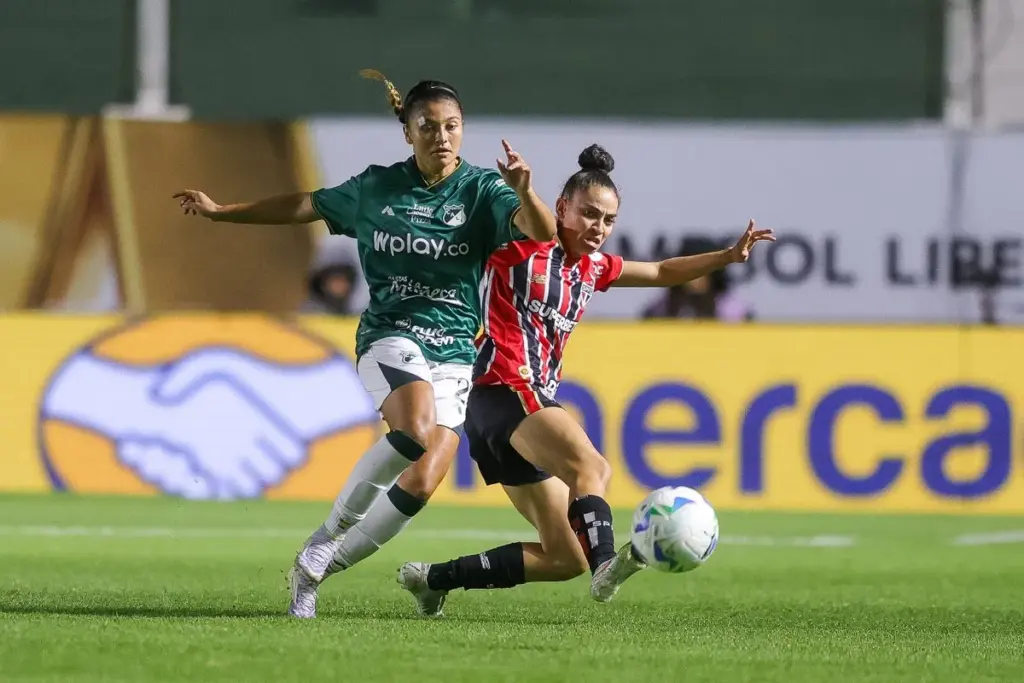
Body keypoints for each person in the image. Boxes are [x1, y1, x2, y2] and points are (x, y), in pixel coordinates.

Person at [173, 69, 557, 619]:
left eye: (452, 126)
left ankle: (315, 571)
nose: (442, 136)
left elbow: (542, 232)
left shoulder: (482, 191)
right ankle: (327, 535)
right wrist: (223, 211)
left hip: (454, 348)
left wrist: (523, 188)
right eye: (429, 126)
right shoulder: (376, 188)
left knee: (423, 479)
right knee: (415, 430)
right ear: (408, 132)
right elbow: (304, 205)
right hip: (391, 333)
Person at [396, 144, 774, 616]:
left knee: (564, 555)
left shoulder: (593, 268)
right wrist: (524, 189)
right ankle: (606, 565)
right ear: (562, 208)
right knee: (591, 469)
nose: (598, 227)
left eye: (608, 220)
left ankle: (433, 580)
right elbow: (526, 220)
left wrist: (727, 256)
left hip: (505, 408)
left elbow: (661, 271)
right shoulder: (522, 246)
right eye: (589, 214)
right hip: (505, 386)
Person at [641, 236, 753, 321]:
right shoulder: (659, 310)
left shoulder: (736, 313)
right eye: (691, 270)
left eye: (703, 271)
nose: (696, 277)